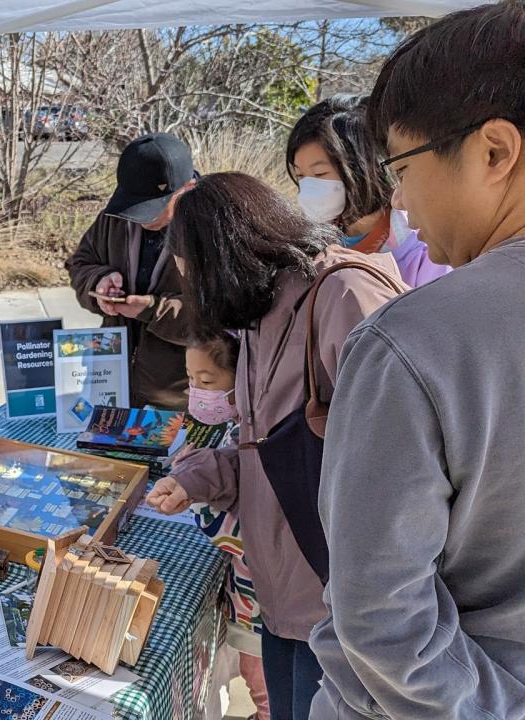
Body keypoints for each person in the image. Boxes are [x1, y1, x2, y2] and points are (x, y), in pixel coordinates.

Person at [309, 3, 525, 717]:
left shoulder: (413, 344)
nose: (397, 198)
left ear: (495, 152)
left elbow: (380, 618)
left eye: (402, 165)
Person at [143, 173, 401, 720]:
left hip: (340, 604)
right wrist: (196, 478)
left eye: (191, 270)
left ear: (223, 256)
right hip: (282, 593)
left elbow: (407, 463)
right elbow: (266, 453)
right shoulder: (259, 315)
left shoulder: (343, 296)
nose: (190, 287)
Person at [66, 132, 196, 411]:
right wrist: (99, 282)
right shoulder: (114, 216)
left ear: (187, 188)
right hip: (112, 387)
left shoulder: (215, 230)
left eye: (151, 208)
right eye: (135, 207)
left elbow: (221, 318)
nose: (140, 217)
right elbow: (80, 263)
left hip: (180, 399)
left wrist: (151, 309)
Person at [179, 334, 269, 720]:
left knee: (261, 676)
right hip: (252, 597)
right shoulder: (232, 428)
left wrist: (197, 497)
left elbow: (244, 535)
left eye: (208, 381)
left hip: (263, 603)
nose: (197, 391)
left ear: (242, 379)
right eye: (190, 379)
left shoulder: (250, 436)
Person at [287, 95, 449, 287]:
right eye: (300, 176)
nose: (308, 189)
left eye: (320, 173)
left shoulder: (425, 248)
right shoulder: (305, 245)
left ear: (365, 168)